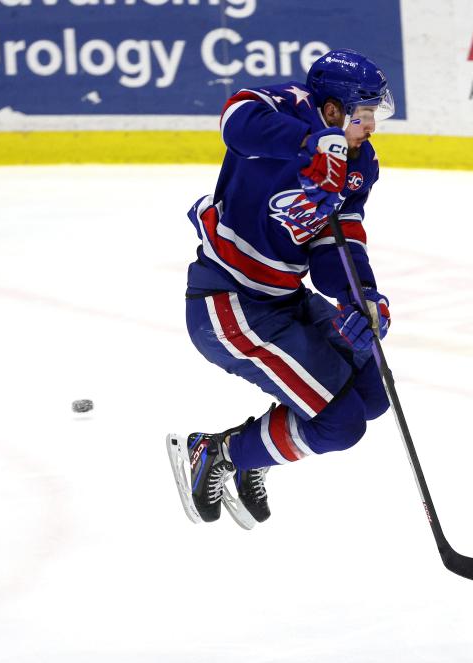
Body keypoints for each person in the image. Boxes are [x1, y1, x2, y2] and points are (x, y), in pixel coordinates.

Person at [165, 48, 395, 529]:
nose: (371, 125)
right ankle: (221, 453)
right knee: (340, 423)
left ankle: (254, 454)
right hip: (229, 304)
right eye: (364, 112)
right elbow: (235, 121)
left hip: (285, 298)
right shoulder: (284, 108)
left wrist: (361, 299)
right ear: (333, 109)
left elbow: (338, 237)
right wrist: (311, 144)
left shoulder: (360, 162)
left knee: (372, 392)